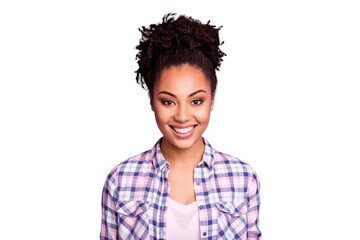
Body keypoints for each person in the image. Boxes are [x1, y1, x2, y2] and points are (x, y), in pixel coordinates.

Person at [100, 13, 261, 240]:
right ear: (152, 102)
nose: (183, 116)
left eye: (196, 101)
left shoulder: (243, 178)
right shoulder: (120, 180)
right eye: (168, 101)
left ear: (212, 100)